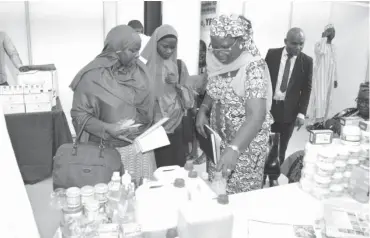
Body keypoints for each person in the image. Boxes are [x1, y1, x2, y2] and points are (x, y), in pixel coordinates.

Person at [196, 15, 274, 194]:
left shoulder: (253, 67)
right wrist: (204, 109)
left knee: (240, 196)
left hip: (244, 145)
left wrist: (234, 148)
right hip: (219, 141)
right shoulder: (216, 61)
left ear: (241, 40)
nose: (218, 52)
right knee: (217, 188)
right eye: (214, 46)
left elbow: (256, 116)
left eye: (225, 46)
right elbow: (214, 87)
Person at [70, 25, 156, 181]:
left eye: (138, 50)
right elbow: (79, 115)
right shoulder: (93, 77)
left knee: (142, 193)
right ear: (117, 50)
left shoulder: (140, 71)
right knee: (116, 197)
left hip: (141, 148)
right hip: (108, 150)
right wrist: (108, 128)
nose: (137, 55)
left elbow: (148, 105)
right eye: (132, 51)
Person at [141, 24, 195, 168]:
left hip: (176, 124)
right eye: (165, 46)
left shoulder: (179, 66)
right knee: (157, 167)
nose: (169, 51)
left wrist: (178, 85)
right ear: (155, 43)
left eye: (173, 47)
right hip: (153, 126)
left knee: (176, 166)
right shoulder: (143, 68)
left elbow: (189, 102)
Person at [265, 27, 313, 168]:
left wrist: (302, 113)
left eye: (301, 43)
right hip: (270, 108)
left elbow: (306, 89)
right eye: (294, 43)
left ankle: (274, 177)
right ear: (286, 41)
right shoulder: (272, 55)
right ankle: (261, 178)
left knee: (281, 147)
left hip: (289, 112)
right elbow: (263, 80)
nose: (298, 47)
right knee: (266, 145)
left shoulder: (307, 61)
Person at [307, 24, 337, 125]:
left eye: (333, 31)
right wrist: (323, 38)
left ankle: (324, 121)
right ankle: (315, 122)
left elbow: (334, 63)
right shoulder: (319, 44)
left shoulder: (333, 47)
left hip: (330, 76)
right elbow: (322, 52)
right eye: (330, 31)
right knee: (319, 97)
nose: (333, 33)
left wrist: (335, 78)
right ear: (326, 32)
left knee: (328, 97)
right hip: (321, 76)